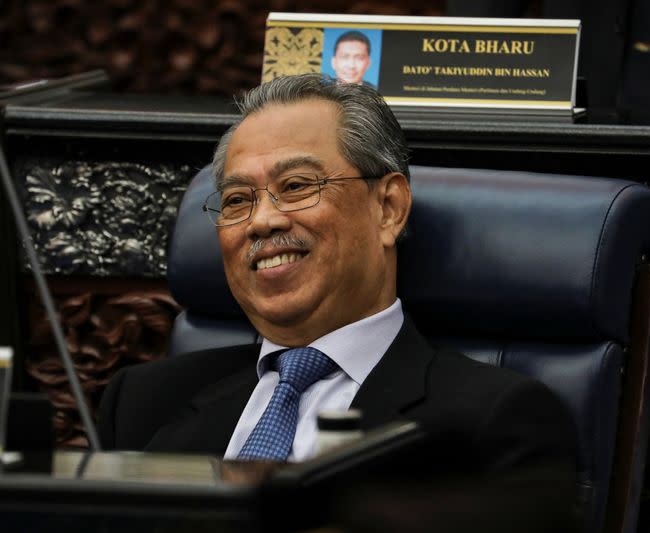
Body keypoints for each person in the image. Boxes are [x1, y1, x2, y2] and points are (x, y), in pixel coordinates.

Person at [98, 74, 576, 477]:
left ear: (388, 208)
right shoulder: (143, 402)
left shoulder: (491, 421)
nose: (262, 221)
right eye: (238, 200)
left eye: (297, 186)